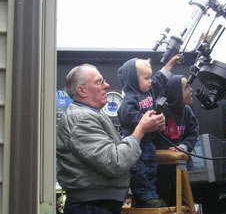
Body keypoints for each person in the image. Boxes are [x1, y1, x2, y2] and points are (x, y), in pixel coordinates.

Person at [56, 64, 166, 214]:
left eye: (104, 81)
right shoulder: (82, 119)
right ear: (81, 90)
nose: (106, 85)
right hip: (91, 207)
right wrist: (141, 129)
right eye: (99, 82)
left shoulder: (91, 115)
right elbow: (114, 162)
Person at [117, 55, 180, 208]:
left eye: (149, 77)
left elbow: (160, 78)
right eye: (146, 78)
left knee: (151, 168)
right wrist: (146, 120)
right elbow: (126, 116)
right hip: (137, 144)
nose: (150, 81)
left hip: (149, 143)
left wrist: (170, 64)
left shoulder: (150, 90)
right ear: (132, 79)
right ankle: (144, 196)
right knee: (140, 171)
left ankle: (150, 194)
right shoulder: (130, 98)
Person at [154, 75, 199, 206]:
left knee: (183, 203)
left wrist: (183, 147)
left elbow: (193, 132)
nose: (191, 90)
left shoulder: (187, 111)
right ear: (176, 93)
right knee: (163, 204)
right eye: (186, 88)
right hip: (159, 170)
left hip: (179, 167)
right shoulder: (160, 111)